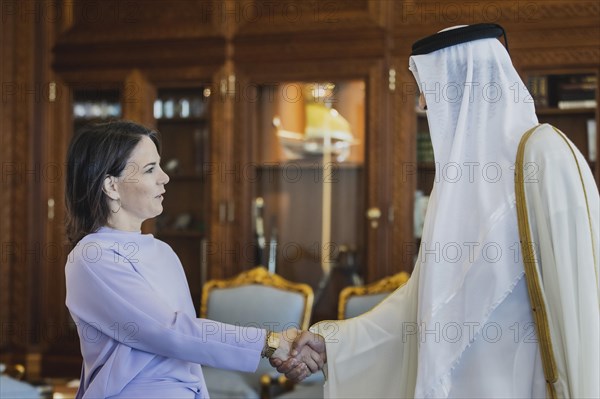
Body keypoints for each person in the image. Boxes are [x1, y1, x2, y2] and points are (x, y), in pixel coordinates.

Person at [273, 23, 599, 398]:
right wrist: (334, 342)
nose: (424, 104)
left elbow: (581, 299)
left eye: (430, 89)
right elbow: (422, 304)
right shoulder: (453, 187)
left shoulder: (544, 156)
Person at [64, 121, 323, 398]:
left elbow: (187, 349)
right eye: (151, 169)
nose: (165, 177)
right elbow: (170, 332)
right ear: (111, 186)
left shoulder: (163, 252)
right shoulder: (92, 258)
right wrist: (271, 343)